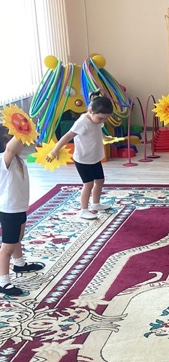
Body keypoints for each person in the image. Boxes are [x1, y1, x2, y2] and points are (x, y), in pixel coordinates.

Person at [49, 92, 114, 219]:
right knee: (88, 184)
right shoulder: (82, 123)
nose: (102, 121)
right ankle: (83, 210)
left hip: (94, 157)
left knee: (100, 181)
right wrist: (55, 150)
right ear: (90, 111)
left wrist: (104, 137)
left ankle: (96, 204)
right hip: (83, 159)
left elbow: (98, 128)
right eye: (101, 118)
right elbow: (68, 136)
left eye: (105, 119)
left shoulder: (97, 120)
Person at [0, 125, 45, 298]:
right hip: (9, 209)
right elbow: (11, 148)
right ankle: (3, 281)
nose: (24, 143)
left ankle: (19, 264)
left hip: (18, 207)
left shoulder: (17, 159)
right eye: (20, 140)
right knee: (7, 247)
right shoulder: (4, 159)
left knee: (17, 238)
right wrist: (21, 129)